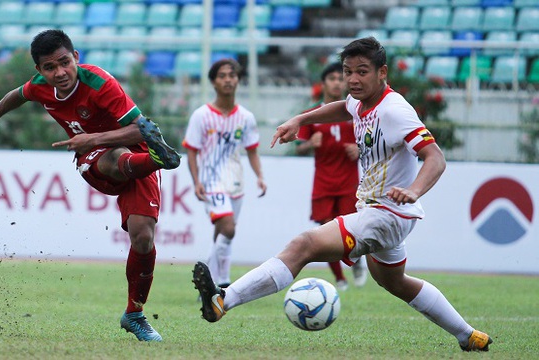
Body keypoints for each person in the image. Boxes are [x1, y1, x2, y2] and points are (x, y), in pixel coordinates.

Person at [192, 37, 492, 352]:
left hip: (388, 214)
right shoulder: (360, 102)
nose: (352, 79)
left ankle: (223, 300)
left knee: (303, 245)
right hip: (380, 212)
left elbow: (436, 158)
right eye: (348, 71)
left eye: (362, 71)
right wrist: (301, 119)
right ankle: (468, 335)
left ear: (382, 72)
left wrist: (413, 190)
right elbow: (342, 108)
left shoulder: (395, 110)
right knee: (395, 282)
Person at [0, 29, 181, 342]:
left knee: (142, 237)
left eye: (64, 62)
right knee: (115, 156)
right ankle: (161, 159)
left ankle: (134, 314)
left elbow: (140, 130)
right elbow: (17, 95)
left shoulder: (101, 84)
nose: (60, 72)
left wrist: (94, 137)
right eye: (50, 67)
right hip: (97, 158)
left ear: (76, 57)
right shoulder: (39, 87)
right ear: (39, 71)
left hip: (134, 150)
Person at [182, 59, 267, 289]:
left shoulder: (246, 118)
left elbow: (252, 151)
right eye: (222, 75)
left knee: (224, 233)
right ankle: (216, 278)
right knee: (228, 227)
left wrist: (259, 176)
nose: (228, 79)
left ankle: (214, 280)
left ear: (238, 80)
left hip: (236, 181)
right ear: (213, 82)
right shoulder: (201, 116)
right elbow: (191, 151)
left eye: (232, 75)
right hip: (211, 181)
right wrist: (196, 181)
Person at [295, 62, 367, 291]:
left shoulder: (356, 112)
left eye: (340, 78)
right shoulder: (313, 114)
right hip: (323, 182)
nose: (337, 82)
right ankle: (340, 279)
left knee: (350, 230)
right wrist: (308, 145)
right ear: (324, 83)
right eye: (332, 78)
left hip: (349, 183)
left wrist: (360, 149)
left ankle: (356, 261)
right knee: (326, 231)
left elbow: (372, 140)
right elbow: (298, 147)